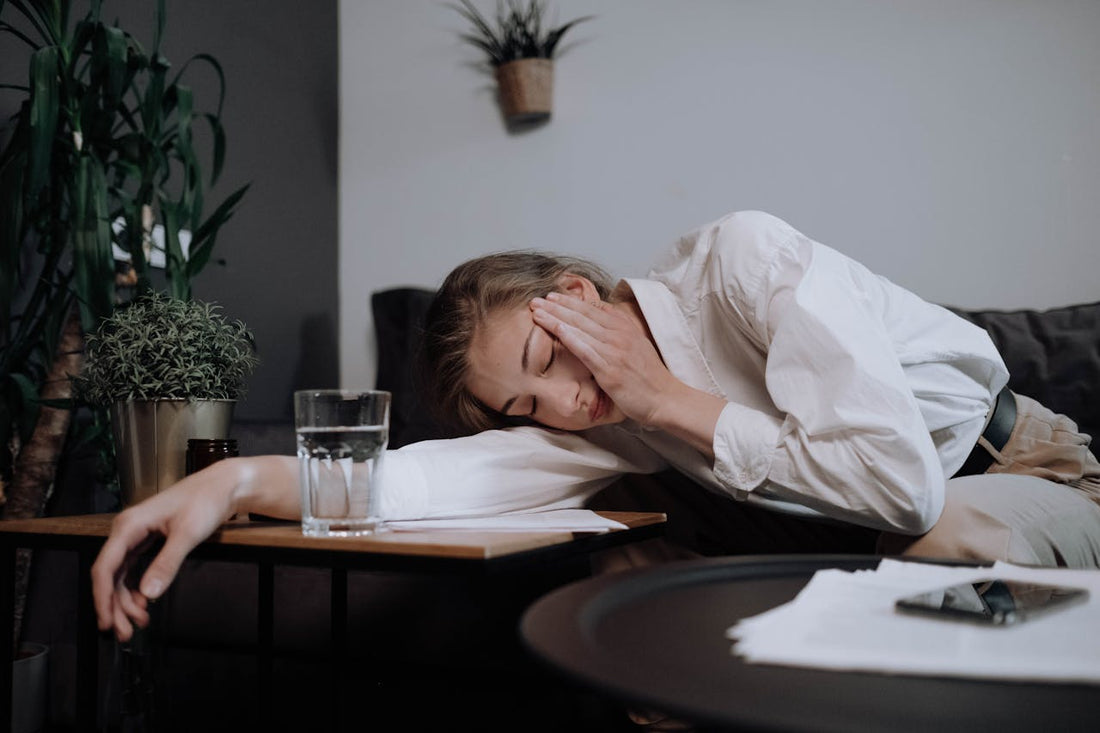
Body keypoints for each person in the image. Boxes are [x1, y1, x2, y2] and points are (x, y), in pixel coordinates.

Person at [92, 210, 1100, 641]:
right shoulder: (591, 425)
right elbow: (420, 482)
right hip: (839, 535)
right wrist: (225, 481)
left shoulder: (742, 264)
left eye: (547, 363)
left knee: (931, 537)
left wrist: (671, 404)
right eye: (528, 407)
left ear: (571, 296)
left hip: (1022, 469)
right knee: (618, 567)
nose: (567, 407)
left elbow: (900, 484)